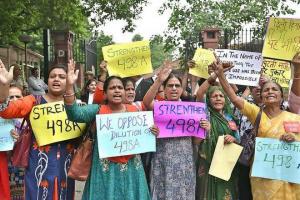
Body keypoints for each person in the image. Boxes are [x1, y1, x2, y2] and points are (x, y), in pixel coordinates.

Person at [63, 61, 158, 200]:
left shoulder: (135, 111)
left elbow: (144, 134)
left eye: (120, 87)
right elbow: (74, 114)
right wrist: (69, 86)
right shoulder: (98, 110)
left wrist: (153, 131)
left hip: (132, 170)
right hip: (104, 171)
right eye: (113, 88)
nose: (117, 90)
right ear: (105, 94)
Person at [211, 59, 300, 200]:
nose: (270, 92)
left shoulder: (294, 117)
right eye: (266, 90)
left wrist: (293, 139)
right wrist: (221, 75)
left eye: (274, 89)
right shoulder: (257, 114)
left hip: (288, 179)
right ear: (261, 96)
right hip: (262, 178)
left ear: (281, 96)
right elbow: (234, 98)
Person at [0, 60, 76, 200]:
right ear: (47, 80)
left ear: (69, 80)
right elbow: (6, 111)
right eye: (53, 76)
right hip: (38, 165)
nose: (56, 79)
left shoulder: (74, 106)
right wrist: (4, 85)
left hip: (65, 166)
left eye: (61, 77)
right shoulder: (33, 101)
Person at [143, 61, 196, 200]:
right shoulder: (159, 107)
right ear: (164, 89)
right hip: (162, 160)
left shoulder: (191, 110)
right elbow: (147, 102)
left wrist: (204, 127)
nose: (173, 88)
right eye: (170, 85)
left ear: (181, 89)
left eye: (177, 86)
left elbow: (197, 140)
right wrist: (159, 80)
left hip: (185, 161)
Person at [196, 85, 239, 200]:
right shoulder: (205, 116)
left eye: (221, 96)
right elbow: (200, 93)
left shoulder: (231, 118)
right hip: (208, 165)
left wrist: (233, 139)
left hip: (226, 165)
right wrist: (208, 131)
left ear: (225, 99)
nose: (218, 98)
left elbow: (238, 140)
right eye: (214, 96)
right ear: (208, 100)